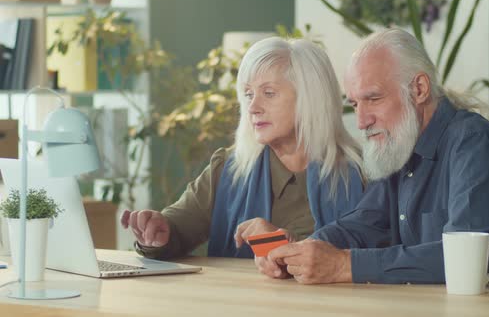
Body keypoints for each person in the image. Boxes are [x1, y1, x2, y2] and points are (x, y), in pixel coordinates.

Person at [260, 28, 489, 284]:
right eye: (355, 103)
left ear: (419, 89)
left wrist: (344, 266)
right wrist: (303, 253)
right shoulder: (399, 144)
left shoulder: (474, 142)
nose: (361, 121)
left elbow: (468, 260)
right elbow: (364, 225)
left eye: (373, 99)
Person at [121, 37, 365, 259]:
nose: (253, 107)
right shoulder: (229, 168)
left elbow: (366, 254)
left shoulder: (362, 174)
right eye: (248, 95)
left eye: (268, 93)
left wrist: (275, 243)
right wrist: (158, 231)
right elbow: (179, 225)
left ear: (310, 99)